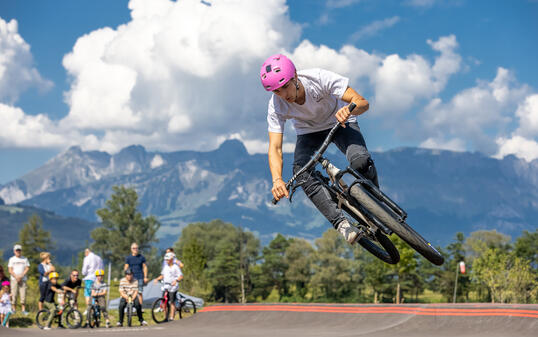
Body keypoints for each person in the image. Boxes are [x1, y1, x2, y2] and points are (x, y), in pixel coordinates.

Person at [261, 54, 378, 244]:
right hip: (309, 132)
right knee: (301, 173)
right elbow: (275, 147)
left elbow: (363, 103)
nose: (284, 94)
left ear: (295, 77)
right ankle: (342, 224)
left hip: (340, 122)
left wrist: (350, 109)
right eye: (276, 91)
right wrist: (277, 180)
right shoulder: (276, 107)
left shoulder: (319, 78)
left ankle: (376, 202)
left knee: (361, 161)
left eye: (285, 87)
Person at [154, 252, 183, 321]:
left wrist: (176, 281)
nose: (166, 261)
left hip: (173, 286)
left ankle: (171, 317)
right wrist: (157, 279)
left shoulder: (175, 267)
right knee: (164, 302)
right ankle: (165, 317)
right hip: (166, 286)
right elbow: (163, 275)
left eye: (168, 259)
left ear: (171, 259)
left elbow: (181, 276)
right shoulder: (165, 267)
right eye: (166, 260)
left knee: (171, 302)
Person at [8, 244, 29, 314]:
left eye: (19, 250)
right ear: (14, 251)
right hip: (14, 279)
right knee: (14, 294)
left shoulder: (25, 259)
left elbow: (27, 268)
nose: (18, 251)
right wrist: (16, 276)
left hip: (23, 279)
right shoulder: (12, 259)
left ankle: (23, 310)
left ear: (21, 251)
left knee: (23, 294)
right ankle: (13, 309)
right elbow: (10, 269)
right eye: (17, 250)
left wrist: (21, 275)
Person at [81, 249, 103, 313]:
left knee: (88, 294)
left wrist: (84, 273)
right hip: (97, 278)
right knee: (96, 294)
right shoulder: (99, 258)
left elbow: (84, 270)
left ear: (86, 252)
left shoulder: (87, 258)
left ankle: (89, 309)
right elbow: (102, 269)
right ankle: (96, 310)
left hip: (89, 277)